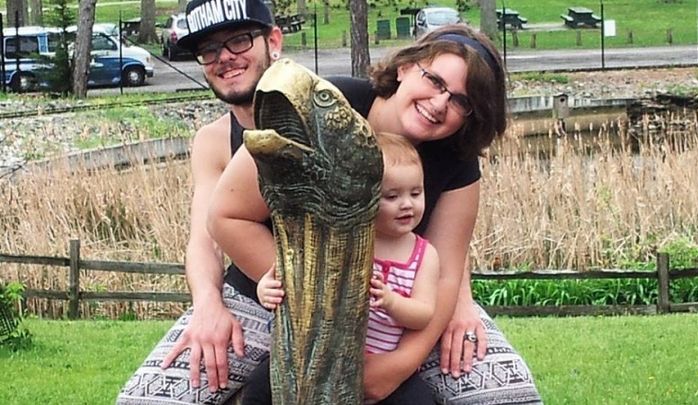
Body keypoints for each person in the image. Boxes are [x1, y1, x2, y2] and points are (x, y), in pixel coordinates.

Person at [207, 24, 542, 404]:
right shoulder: (327, 108)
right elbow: (225, 217)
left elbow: (447, 272)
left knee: (512, 396)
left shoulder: (456, 155)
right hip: (270, 290)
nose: (439, 103)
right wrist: (312, 293)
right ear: (405, 67)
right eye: (434, 81)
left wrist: (399, 365)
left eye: (461, 101)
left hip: (399, 306)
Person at [115, 0, 283, 403]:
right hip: (250, 298)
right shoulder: (213, 140)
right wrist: (208, 303)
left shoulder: (332, 107)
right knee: (144, 400)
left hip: (350, 296)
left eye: (239, 41)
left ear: (273, 41)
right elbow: (203, 240)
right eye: (209, 50)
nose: (224, 57)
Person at [242, 132, 440, 405]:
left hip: (381, 361)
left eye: (416, 193)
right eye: (392, 196)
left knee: (419, 400)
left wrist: (391, 301)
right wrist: (266, 288)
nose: (407, 204)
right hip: (320, 354)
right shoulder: (340, 240)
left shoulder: (424, 256)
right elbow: (288, 276)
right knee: (260, 384)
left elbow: (424, 314)